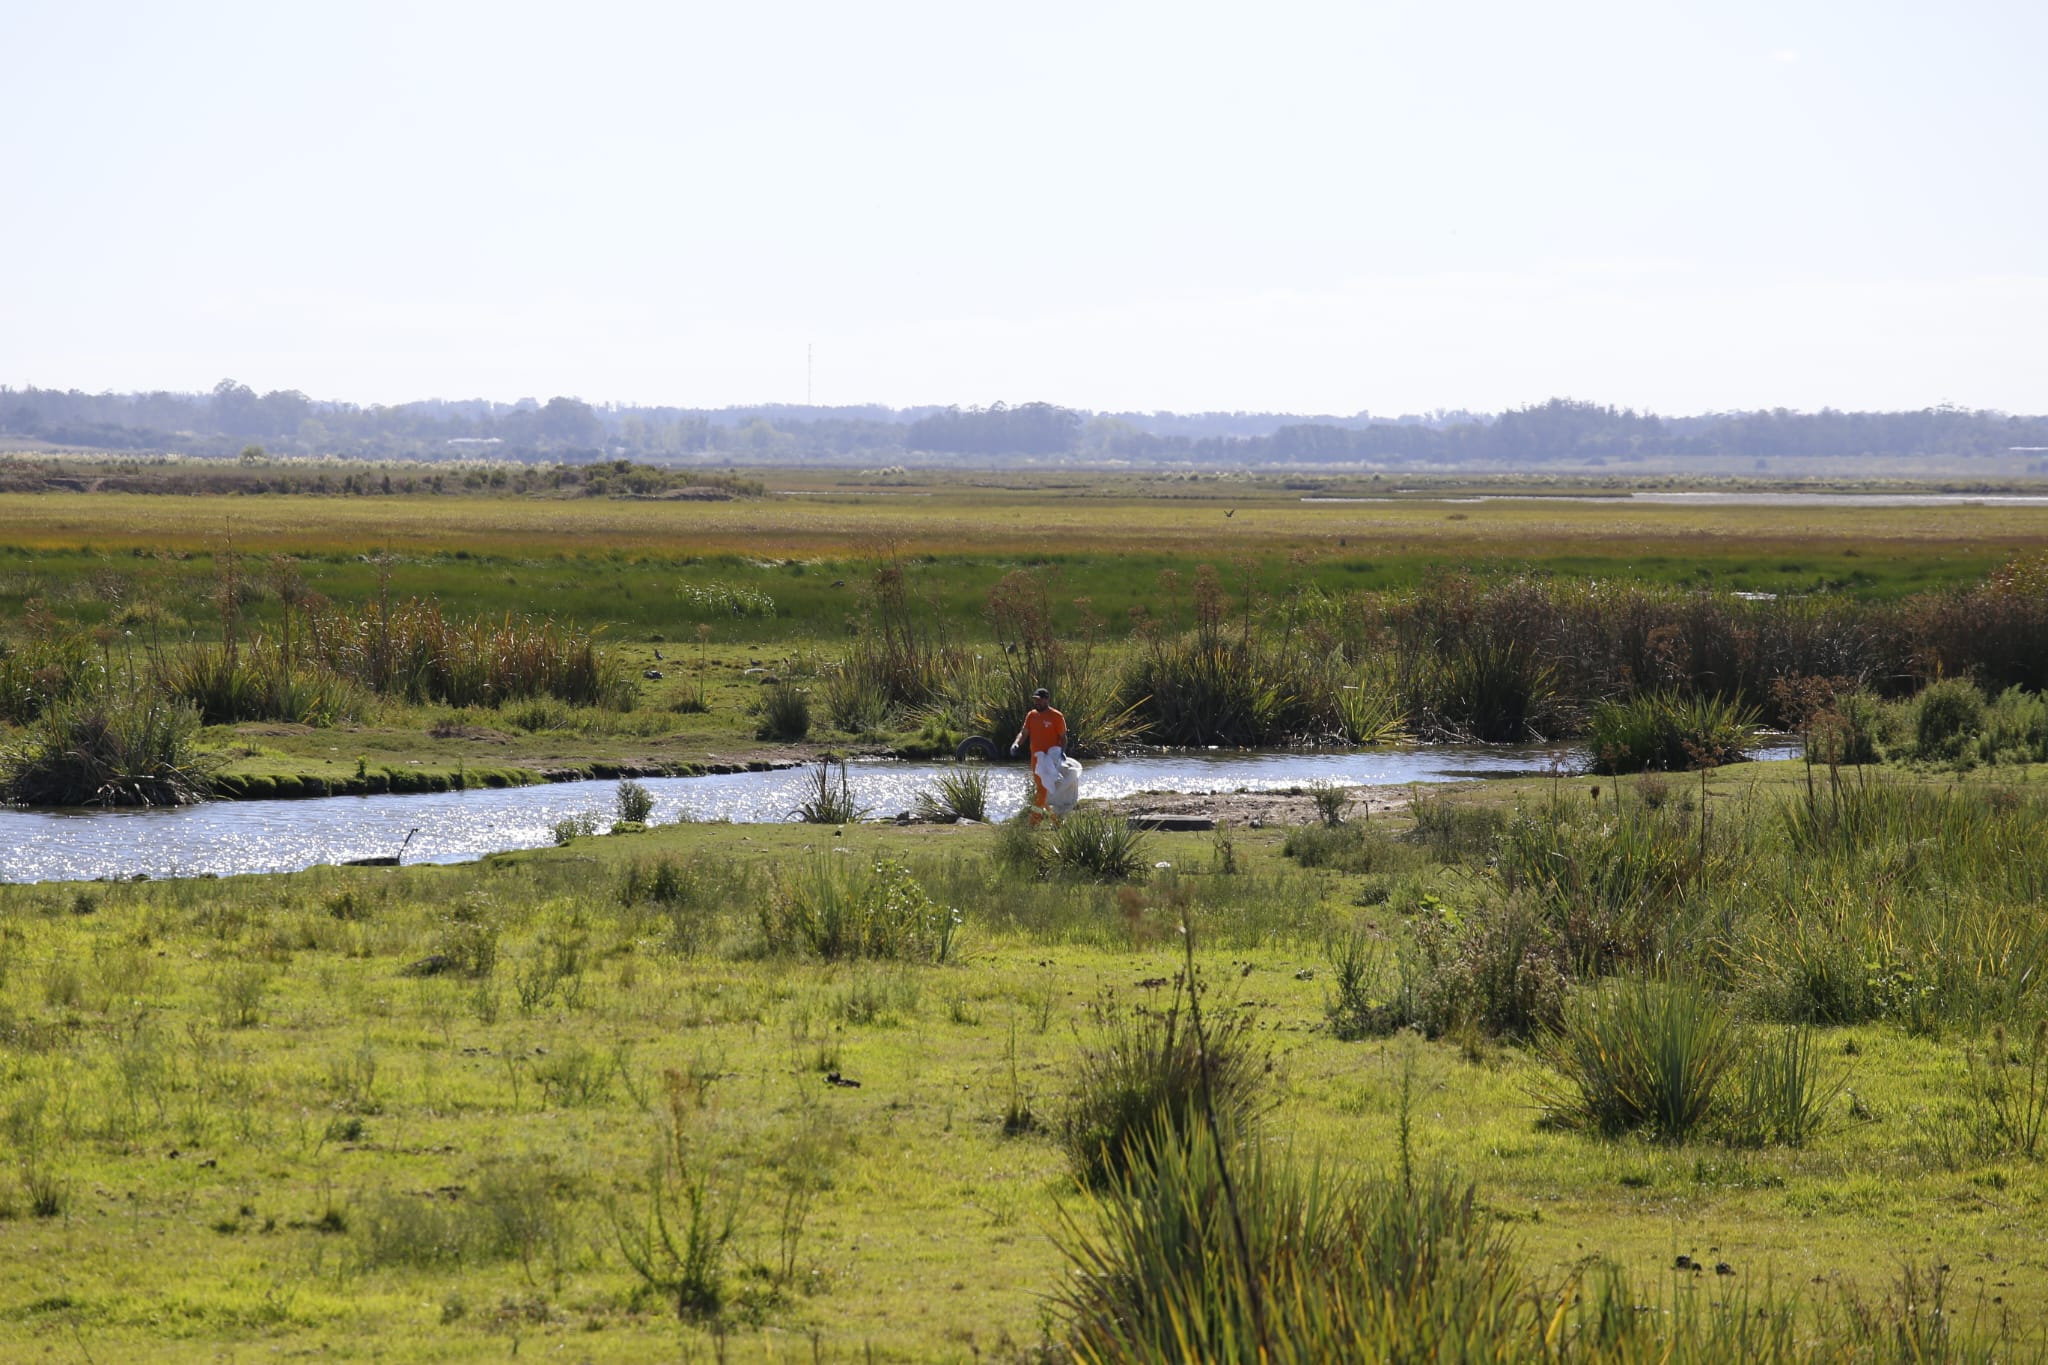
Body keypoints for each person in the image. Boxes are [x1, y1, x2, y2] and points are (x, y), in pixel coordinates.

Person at [1010, 687, 1067, 821]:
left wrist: (1062, 753)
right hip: (1036, 760)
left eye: (1040, 700)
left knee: (1042, 791)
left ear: (1047, 700)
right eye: (1035, 700)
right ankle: (1056, 819)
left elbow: (1063, 737)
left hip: (1050, 761)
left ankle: (1034, 820)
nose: (1037, 703)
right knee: (1042, 792)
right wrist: (1016, 743)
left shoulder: (1056, 716)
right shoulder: (1031, 715)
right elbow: (1023, 733)